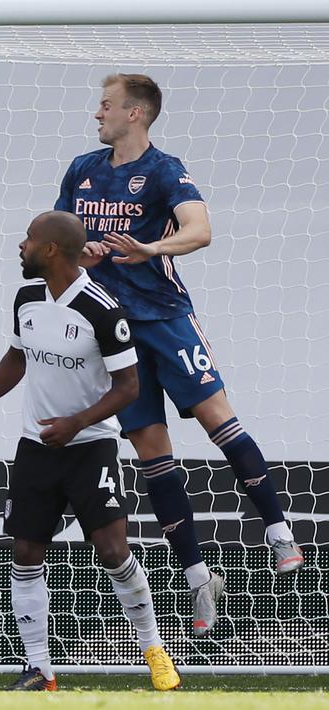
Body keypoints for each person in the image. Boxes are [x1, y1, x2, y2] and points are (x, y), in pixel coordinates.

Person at [55, 73, 302, 636]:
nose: (97, 114)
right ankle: (197, 577)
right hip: (112, 330)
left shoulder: (165, 170)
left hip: (166, 318)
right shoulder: (82, 170)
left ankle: (279, 532)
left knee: (219, 420)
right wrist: (78, 253)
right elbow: (58, 238)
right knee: (152, 454)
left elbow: (200, 229)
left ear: (135, 113)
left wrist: (151, 248)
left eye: (106, 105)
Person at [0, 210, 180, 692]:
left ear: (51, 249)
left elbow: (129, 386)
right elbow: (17, 356)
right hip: (36, 446)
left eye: (28, 239)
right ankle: (39, 669)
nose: (21, 246)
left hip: (90, 446)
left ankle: (154, 650)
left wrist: (77, 422)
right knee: (25, 552)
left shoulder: (102, 308)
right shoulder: (26, 298)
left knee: (113, 550)